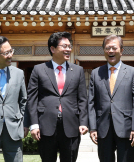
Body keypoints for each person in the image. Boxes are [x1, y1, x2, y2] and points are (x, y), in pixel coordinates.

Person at [26, 31, 89, 162]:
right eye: (64, 46)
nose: (68, 49)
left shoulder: (77, 70)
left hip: (71, 126)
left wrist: (83, 121)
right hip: (46, 126)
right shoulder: (39, 70)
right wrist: (34, 125)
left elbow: (82, 99)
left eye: (69, 46)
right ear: (53, 49)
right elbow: (32, 100)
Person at [88, 35, 134, 162]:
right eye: (107, 48)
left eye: (114, 48)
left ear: (121, 50)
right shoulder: (96, 73)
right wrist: (93, 128)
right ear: (103, 50)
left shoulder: (132, 72)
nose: (111, 51)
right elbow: (91, 102)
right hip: (103, 128)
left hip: (127, 128)